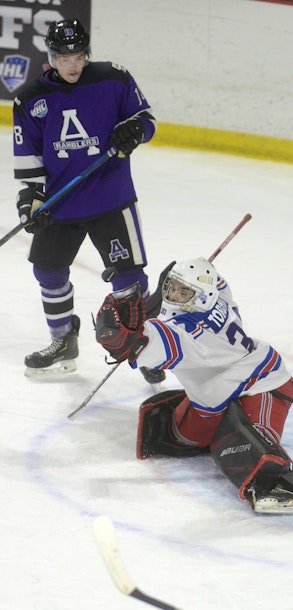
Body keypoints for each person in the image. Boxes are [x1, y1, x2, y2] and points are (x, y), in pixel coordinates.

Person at [94, 256, 293, 515]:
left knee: (255, 445)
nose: (173, 294)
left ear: (202, 297)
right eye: (173, 286)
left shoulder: (188, 336)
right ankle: (227, 424)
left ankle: (277, 486)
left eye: (184, 291)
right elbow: (215, 278)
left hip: (262, 382)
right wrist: (194, 272)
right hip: (216, 392)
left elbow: (136, 345)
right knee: (180, 437)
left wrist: (118, 337)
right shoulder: (220, 297)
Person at [13, 18, 163, 385]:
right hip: (60, 203)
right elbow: (27, 156)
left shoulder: (114, 78)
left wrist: (135, 130)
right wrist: (30, 202)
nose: (73, 65)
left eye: (79, 56)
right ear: (51, 58)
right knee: (47, 272)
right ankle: (63, 340)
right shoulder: (30, 97)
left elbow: (147, 121)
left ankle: (146, 349)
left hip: (111, 198)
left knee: (128, 278)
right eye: (65, 58)